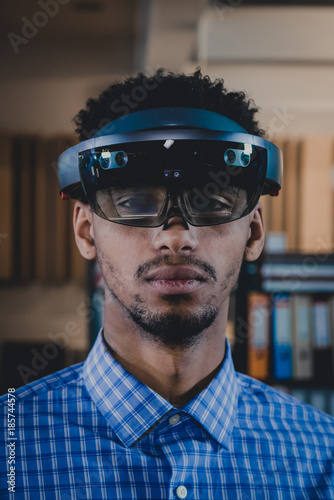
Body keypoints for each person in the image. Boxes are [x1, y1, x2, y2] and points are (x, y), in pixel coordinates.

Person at [1, 69, 333, 499]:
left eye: (212, 203)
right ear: (86, 233)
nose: (176, 237)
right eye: (135, 202)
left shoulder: (322, 456)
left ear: (252, 234)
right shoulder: (11, 449)